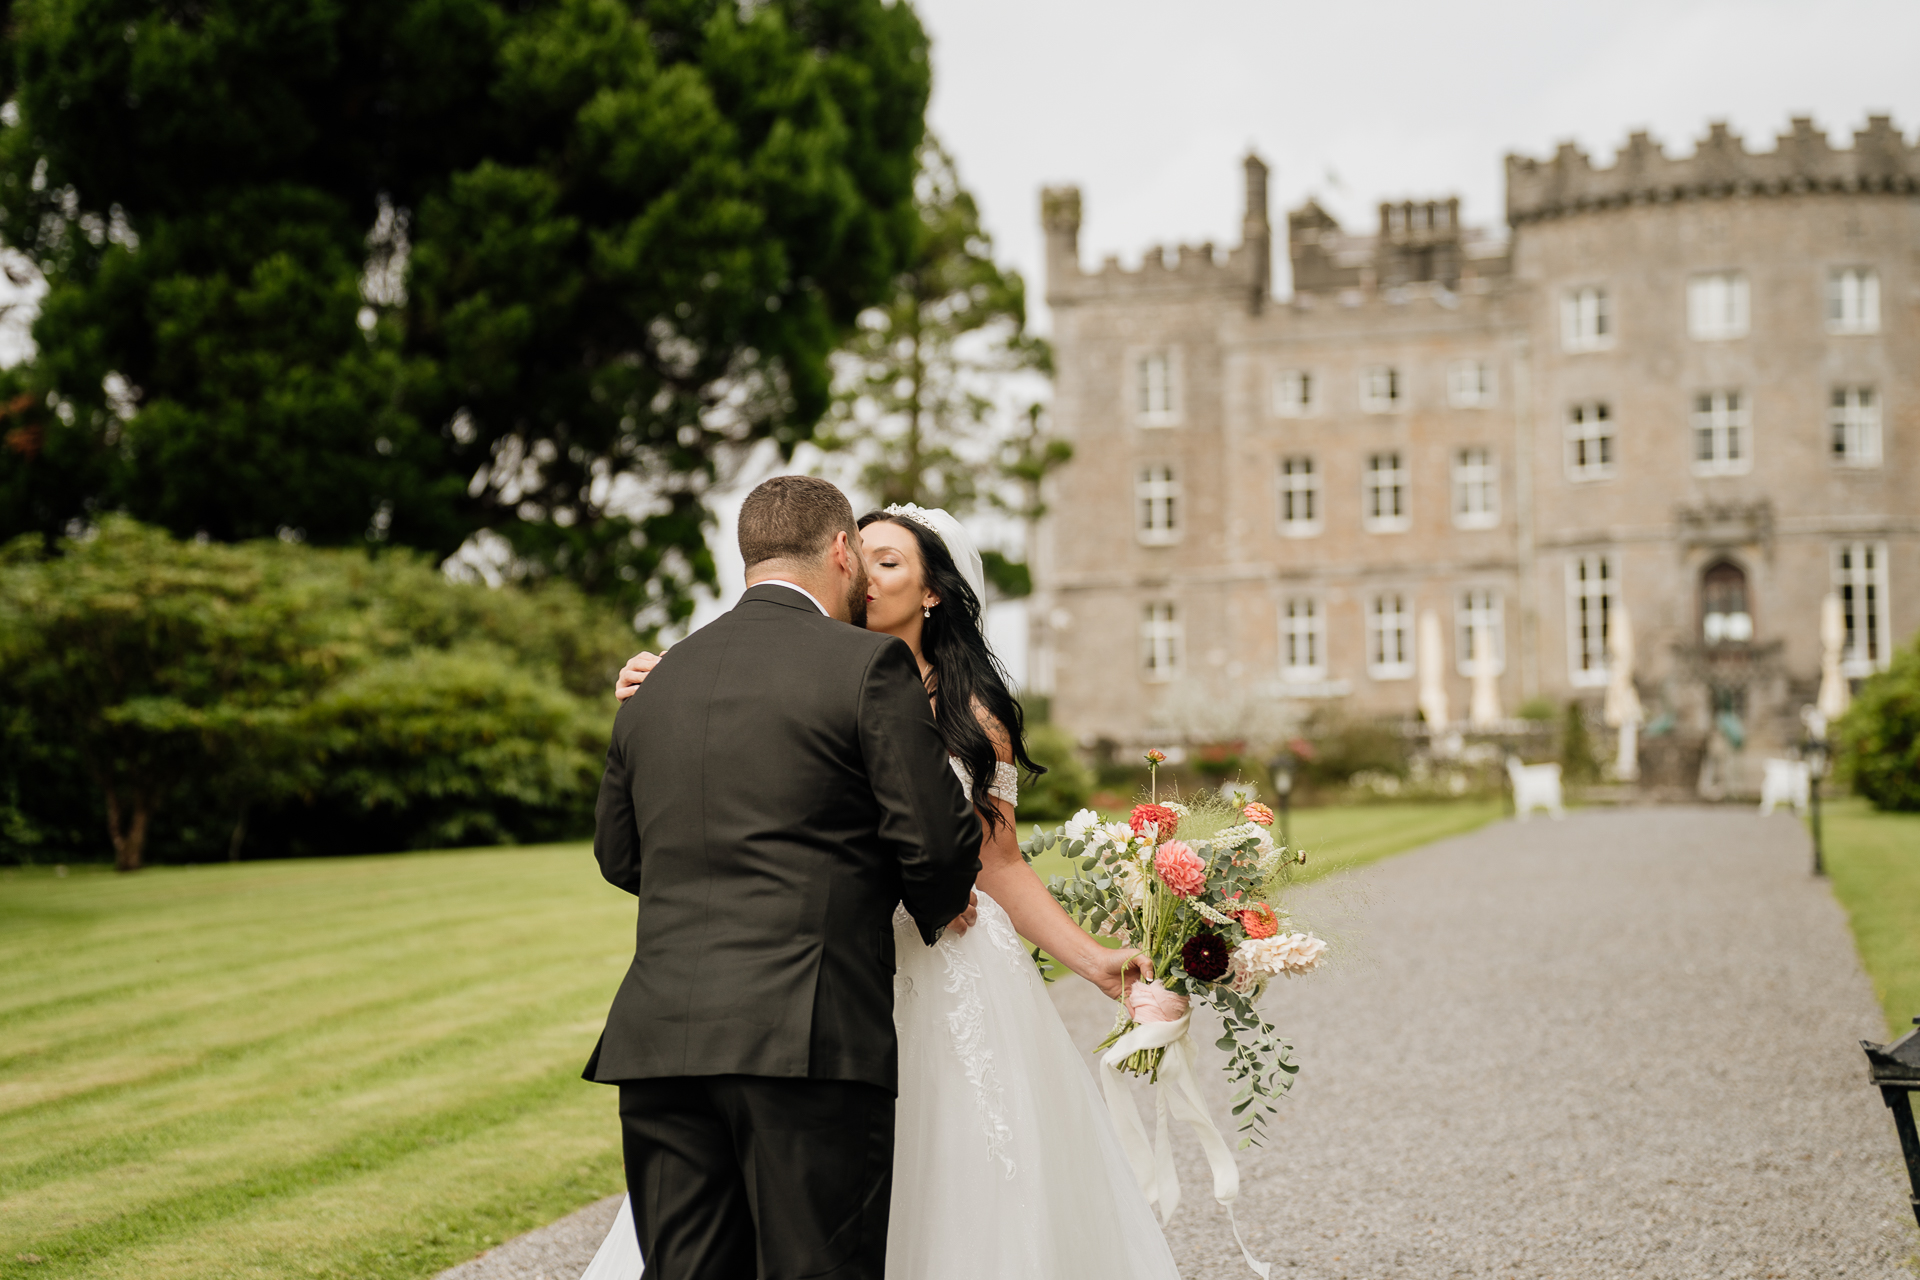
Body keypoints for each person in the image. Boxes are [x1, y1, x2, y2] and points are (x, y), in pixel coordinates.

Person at [585, 493, 1184, 1280]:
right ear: (838, 554)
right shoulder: (717, 673)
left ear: (933, 590)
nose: (867, 574)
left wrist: (1094, 960)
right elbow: (926, 863)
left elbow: (993, 863)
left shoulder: (960, 708)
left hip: (863, 988)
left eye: (889, 560)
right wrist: (922, 889)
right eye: (862, 556)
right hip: (821, 989)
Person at [583, 476, 983, 1280]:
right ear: (841, 551)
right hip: (809, 1036)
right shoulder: (868, 664)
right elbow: (938, 846)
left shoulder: (658, 679)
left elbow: (620, 856)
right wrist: (921, 911)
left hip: (662, 1037)